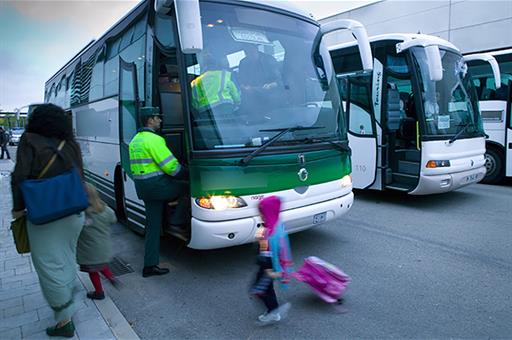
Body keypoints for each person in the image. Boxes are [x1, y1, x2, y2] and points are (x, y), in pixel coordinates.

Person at [11, 103, 85, 338]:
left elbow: (19, 176)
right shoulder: (70, 142)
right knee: (66, 258)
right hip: (74, 212)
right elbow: (80, 173)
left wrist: (18, 208)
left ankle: (64, 320)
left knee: (49, 266)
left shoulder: (29, 139)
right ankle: (68, 300)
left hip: (45, 214)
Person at [129, 106, 189, 278]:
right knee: (186, 188)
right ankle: (177, 222)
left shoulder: (136, 140)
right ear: (150, 120)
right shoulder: (154, 140)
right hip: (157, 187)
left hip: (143, 188)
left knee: (152, 227)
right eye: (158, 118)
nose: (160, 120)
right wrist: (188, 173)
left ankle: (150, 266)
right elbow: (172, 168)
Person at [250, 196, 292, 324]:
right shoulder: (272, 227)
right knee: (266, 289)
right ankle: (273, 309)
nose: (261, 216)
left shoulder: (274, 234)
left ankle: (273, 311)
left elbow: (271, 254)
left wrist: (271, 270)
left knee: (258, 289)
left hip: (268, 268)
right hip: (266, 267)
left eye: (263, 214)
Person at [77, 183, 119, 300]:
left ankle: (99, 292)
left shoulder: (81, 214)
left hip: (88, 252)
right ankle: (111, 278)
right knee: (101, 264)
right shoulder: (106, 210)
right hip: (104, 249)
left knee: (93, 271)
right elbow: (113, 220)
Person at [238, 44, 282, 119]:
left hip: (270, 96)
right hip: (252, 97)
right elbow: (240, 81)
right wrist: (244, 87)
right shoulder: (243, 62)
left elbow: (280, 80)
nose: (249, 53)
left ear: (256, 49)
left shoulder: (269, 59)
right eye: (247, 51)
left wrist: (272, 85)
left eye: (251, 50)